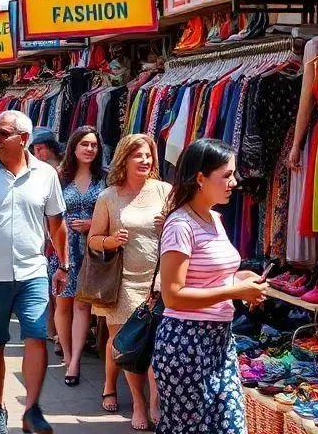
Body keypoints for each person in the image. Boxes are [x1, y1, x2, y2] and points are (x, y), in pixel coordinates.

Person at [0, 110, 65, 434]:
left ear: (24, 140)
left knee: (35, 336)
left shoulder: (46, 175)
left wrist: (64, 265)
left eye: (4, 134)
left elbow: (57, 225)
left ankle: (31, 409)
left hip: (33, 270)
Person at [154, 139, 265, 434]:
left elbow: (211, 277)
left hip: (219, 340)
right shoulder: (180, 225)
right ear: (201, 178)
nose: (235, 182)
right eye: (226, 175)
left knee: (230, 426)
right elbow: (173, 296)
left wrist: (241, 280)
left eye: (233, 174)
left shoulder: (215, 218)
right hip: (186, 343)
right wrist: (234, 292)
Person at [88, 134, 170, 427]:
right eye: (138, 156)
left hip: (159, 281)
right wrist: (111, 240)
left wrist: (168, 222)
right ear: (124, 159)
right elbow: (93, 239)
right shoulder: (109, 196)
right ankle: (138, 401)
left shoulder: (165, 191)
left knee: (158, 345)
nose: (145, 161)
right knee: (128, 344)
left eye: (149, 155)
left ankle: (156, 402)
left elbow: (184, 231)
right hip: (122, 282)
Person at [50, 126, 106, 388]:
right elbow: (48, 214)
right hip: (64, 248)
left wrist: (93, 223)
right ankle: (68, 355)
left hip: (93, 250)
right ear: (74, 147)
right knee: (63, 304)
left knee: (82, 305)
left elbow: (113, 212)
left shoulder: (104, 179)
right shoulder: (60, 177)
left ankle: (75, 363)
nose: (89, 149)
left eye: (94, 145)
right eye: (84, 144)